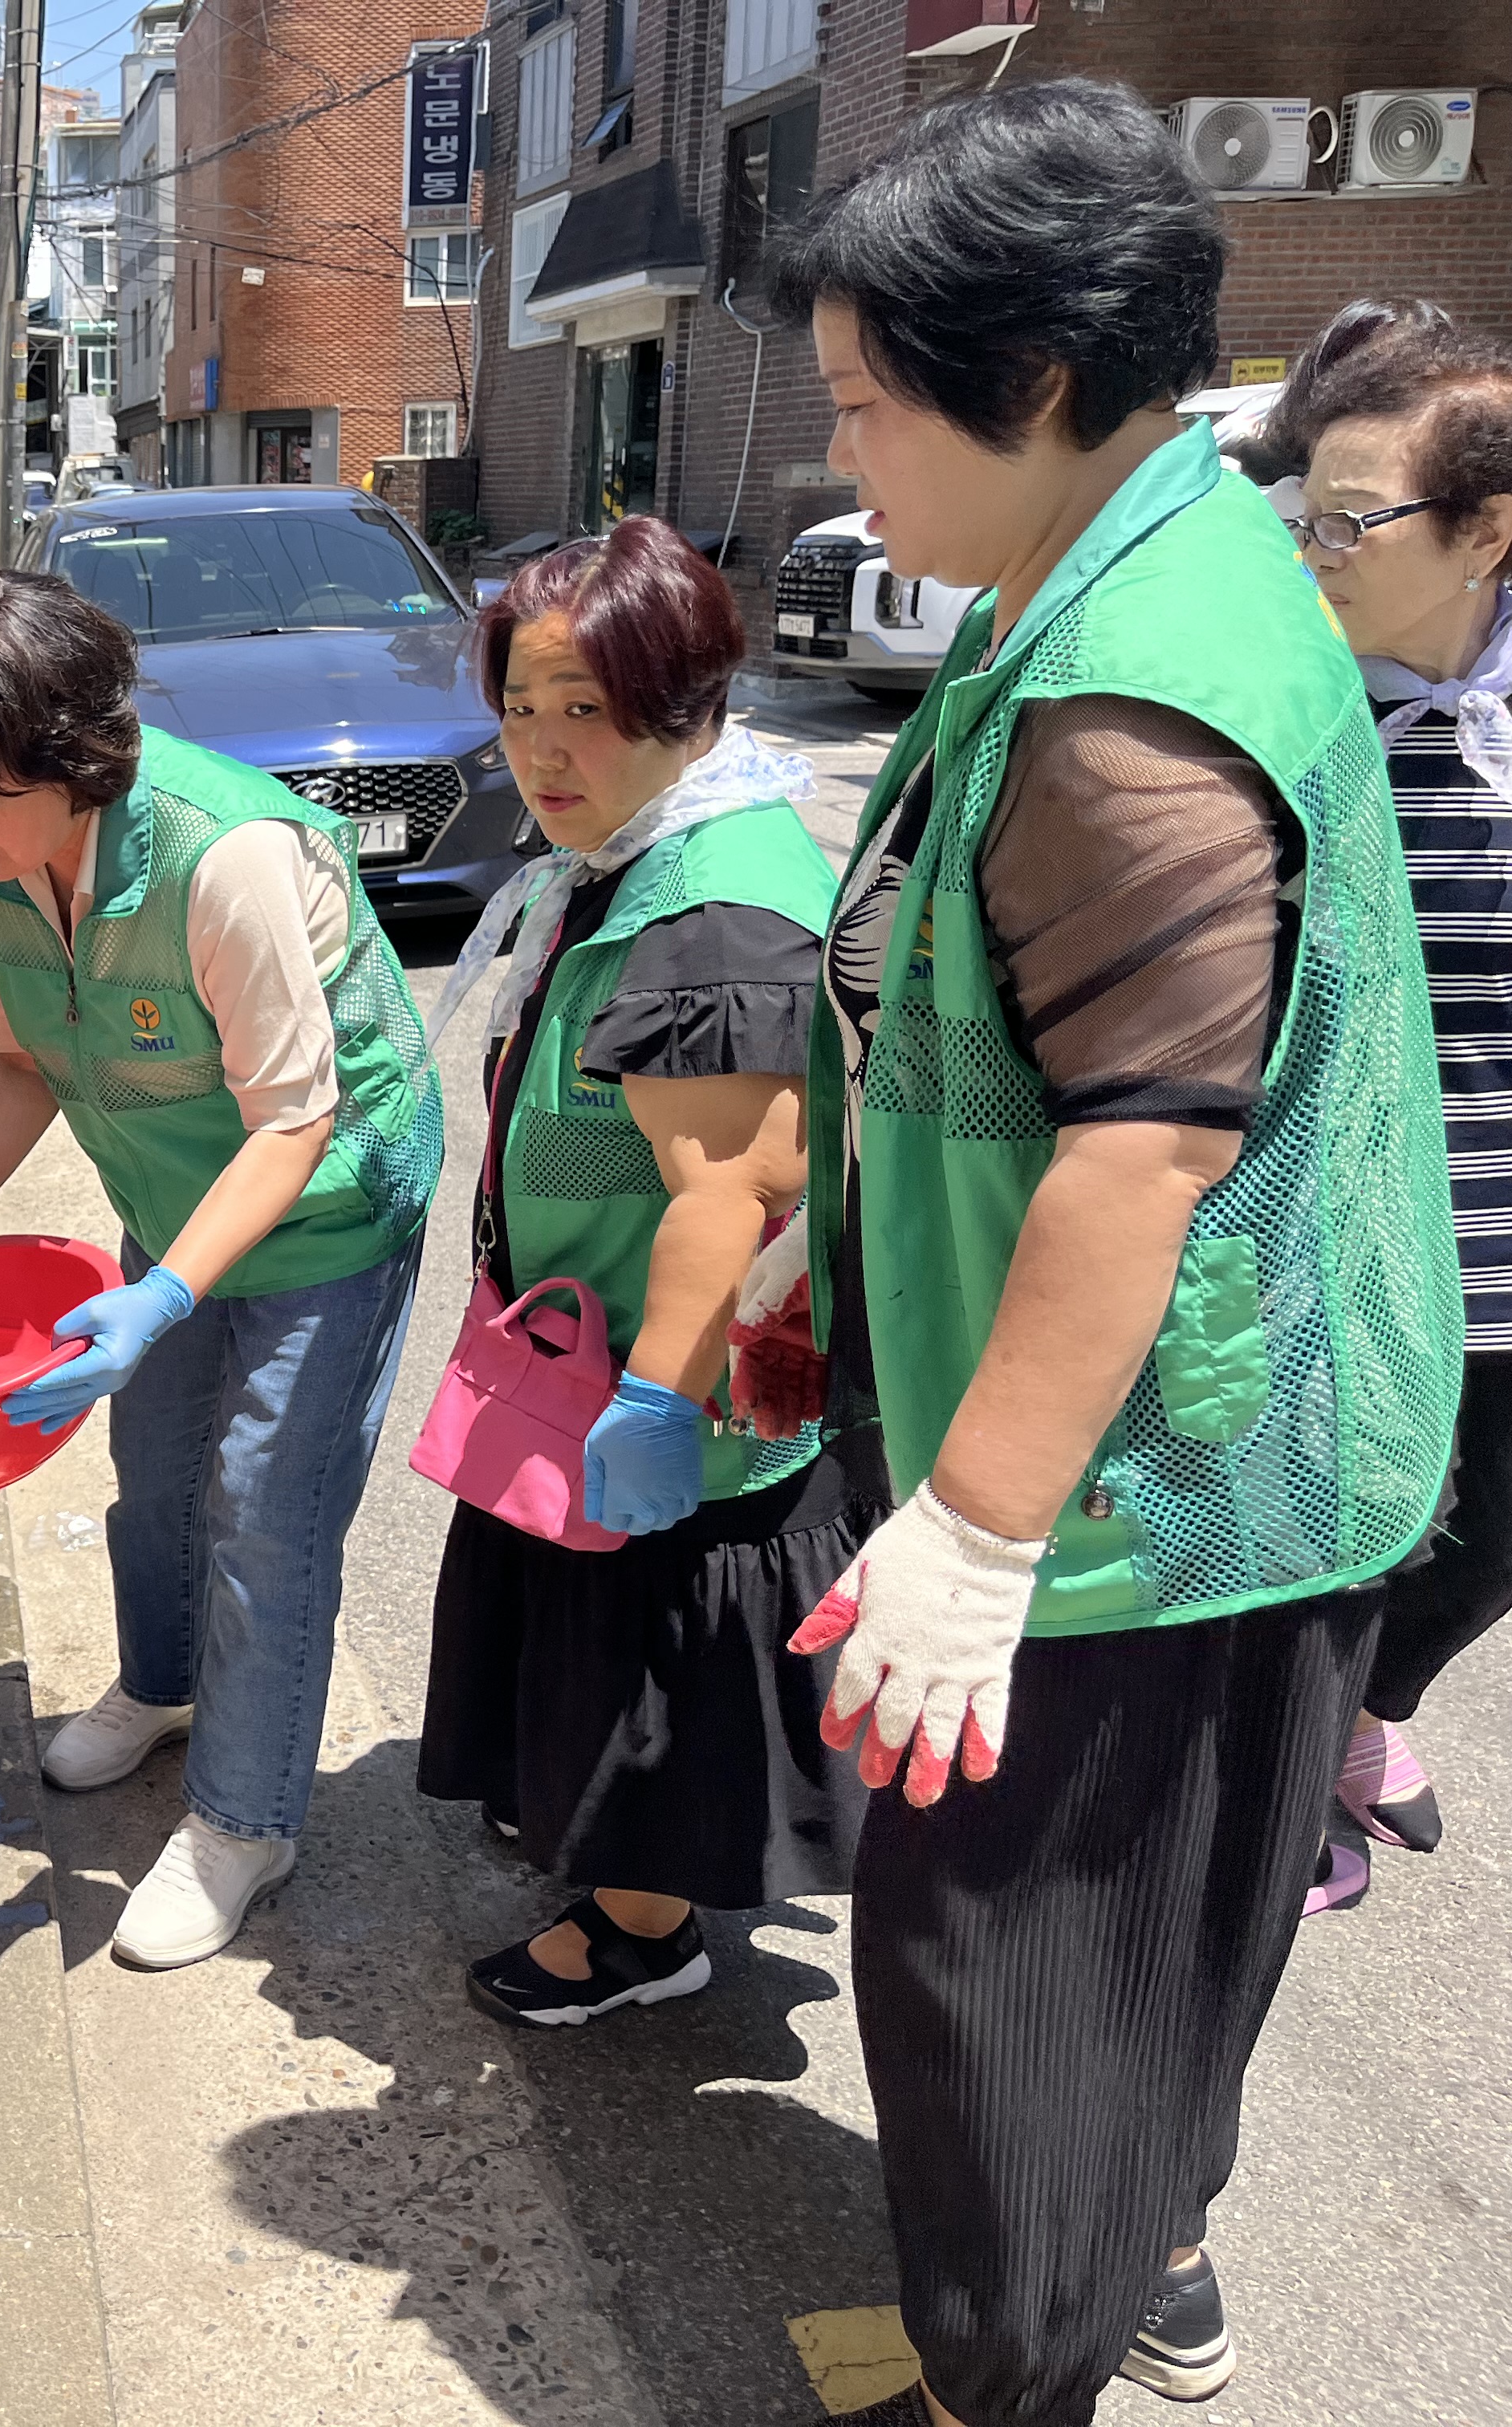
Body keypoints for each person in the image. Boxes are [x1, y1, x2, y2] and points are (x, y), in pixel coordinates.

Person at [750, 81, 1461, 2427]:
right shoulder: (1142, 563)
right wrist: (836, 1251)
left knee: (1014, 1996)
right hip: (1196, 1442)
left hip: (1134, 1496)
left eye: (868, 400)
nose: (844, 454)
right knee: (1142, 1975)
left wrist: (973, 1530)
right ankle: (1118, 2282)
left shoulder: (1129, 683)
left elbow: (1142, 1148)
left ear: (1037, 381)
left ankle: (1014, 2375)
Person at [0, 566, 437, 1969]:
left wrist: (165, 1296)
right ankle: (164, 1689)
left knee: (264, 1510)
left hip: (327, 1206)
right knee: (157, 1471)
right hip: (172, 1194)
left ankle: (244, 1821)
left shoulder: (227, 858)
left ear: (76, 757)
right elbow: (20, 1061)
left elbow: (294, 1124)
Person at [413, 518, 876, 2025]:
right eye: (520, 708)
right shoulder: (629, 854)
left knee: (657, 1644)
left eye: (587, 710)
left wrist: (663, 1399)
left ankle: (640, 1928)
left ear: (687, 706)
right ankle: (592, 1832)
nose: (544, 751)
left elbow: (739, 1193)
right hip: (587, 1345)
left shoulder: (712, 909)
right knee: (584, 1629)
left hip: (667, 1377)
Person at [1256, 303, 1512, 1902]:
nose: (1319, 551)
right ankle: (1281, 1802)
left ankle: (1363, 1713)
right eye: (1312, 516)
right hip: (1344, 1237)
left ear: (1487, 530)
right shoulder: (1294, 711)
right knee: (1332, 1539)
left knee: (1486, 1548)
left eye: (1357, 522)